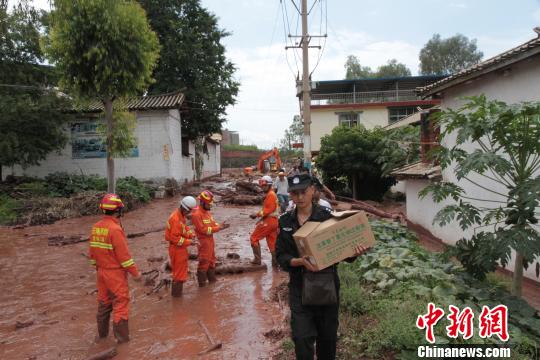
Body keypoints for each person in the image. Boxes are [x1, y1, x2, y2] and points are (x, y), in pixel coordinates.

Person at [275, 174, 368, 359]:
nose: (300, 197)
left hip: (327, 286)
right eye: (295, 193)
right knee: (302, 339)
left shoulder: (327, 218)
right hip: (299, 287)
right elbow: (281, 256)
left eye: (303, 192)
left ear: (312, 190)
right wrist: (300, 262)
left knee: (327, 340)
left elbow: (342, 253)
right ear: (290, 195)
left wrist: (354, 252)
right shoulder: (285, 221)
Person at [89, 193, 142, 343]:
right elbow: (124, 258)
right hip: (115, 274)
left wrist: (97, 269)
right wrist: (136, 274)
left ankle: (102, 336)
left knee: (104, 303)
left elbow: (92, 253)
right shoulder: (115, 229)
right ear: (118, 210)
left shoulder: (96, 227)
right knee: (120, 303)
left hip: (100, 272)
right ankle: (123, 341)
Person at [191, 190, 230, 287]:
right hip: (203, 241)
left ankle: (212, 282)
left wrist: (220, 225)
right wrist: (218, 228)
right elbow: (203, 230)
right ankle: (202, 287)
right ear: (203, 202)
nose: (211, 206)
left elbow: (212, 224)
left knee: (212, 261)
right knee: (204, 262)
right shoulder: (196, 214)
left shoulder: (207, 212)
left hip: (210, 240)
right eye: (209, 204)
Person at [165, 196, 197, 297]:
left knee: (180, 274)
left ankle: (177, 297)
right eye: (189, 211)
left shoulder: (180, 216)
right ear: (185, 209)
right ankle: (177, 299)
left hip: (180, 248)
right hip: (177, 249)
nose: (190, 213)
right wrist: (190, 242)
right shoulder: (175, 219)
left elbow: (184, 228)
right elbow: (175, 239)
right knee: (178, 276)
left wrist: (191, 234)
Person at [249, 175, 280, 267]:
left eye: (264, 186)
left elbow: (267, 210)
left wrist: (256, 214)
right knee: (272, 243)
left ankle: (257, 260)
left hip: (269, 221)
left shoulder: (270, 195)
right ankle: (275, 263)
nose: (263, 188)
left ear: (269, 185)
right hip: (274, 221)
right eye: (262, 186)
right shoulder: (272, 194)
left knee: (254, 238)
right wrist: (261, 219)